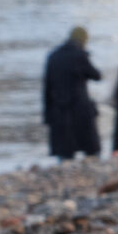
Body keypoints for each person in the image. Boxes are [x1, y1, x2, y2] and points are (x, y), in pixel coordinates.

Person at [41, 27, 101, 160]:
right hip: (80, 109)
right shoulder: (79, 55)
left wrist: (47, 115)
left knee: (65, 153)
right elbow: (96, 75)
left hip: (59, 111)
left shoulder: (53, 56)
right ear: (83, 40)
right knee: (90, 150)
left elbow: (47, 89)